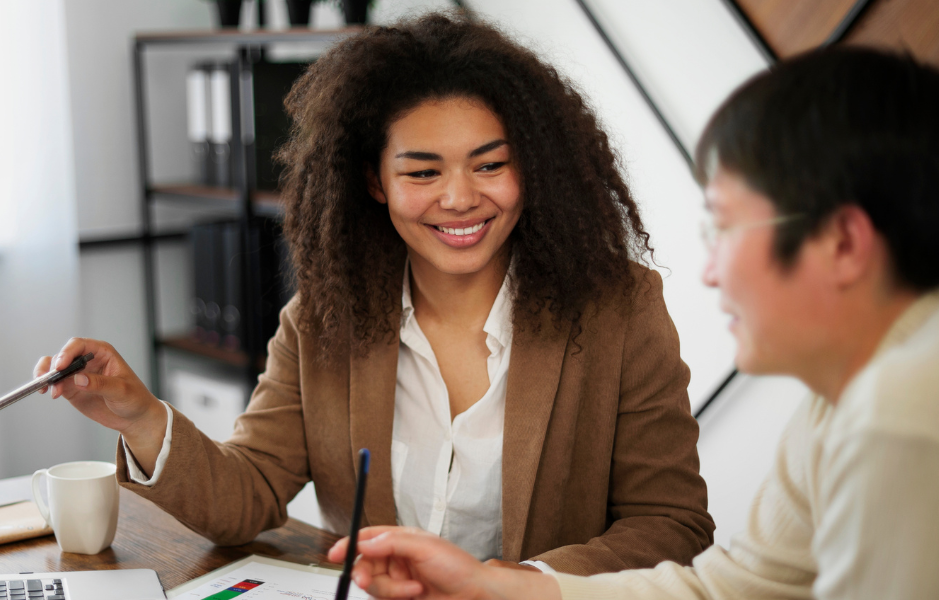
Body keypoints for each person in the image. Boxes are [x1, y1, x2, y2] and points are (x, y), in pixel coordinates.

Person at [35, 12, 714, 574]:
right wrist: (140, 417)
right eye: (422, 171)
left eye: (491, 165)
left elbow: (671, 523)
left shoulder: (618, 309)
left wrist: (511, 586)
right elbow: (250, 495)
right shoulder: (323, 321)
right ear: (373, 181)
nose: (459, 198)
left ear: (531, 166)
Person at [325, 46, 939, 599]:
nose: (710, 273)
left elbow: (676, 530)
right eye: (423, 171)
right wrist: (490, 586)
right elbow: (737, 587)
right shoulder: (841, 402)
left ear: (843, 243)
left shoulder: (900, 410)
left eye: (724, 227)